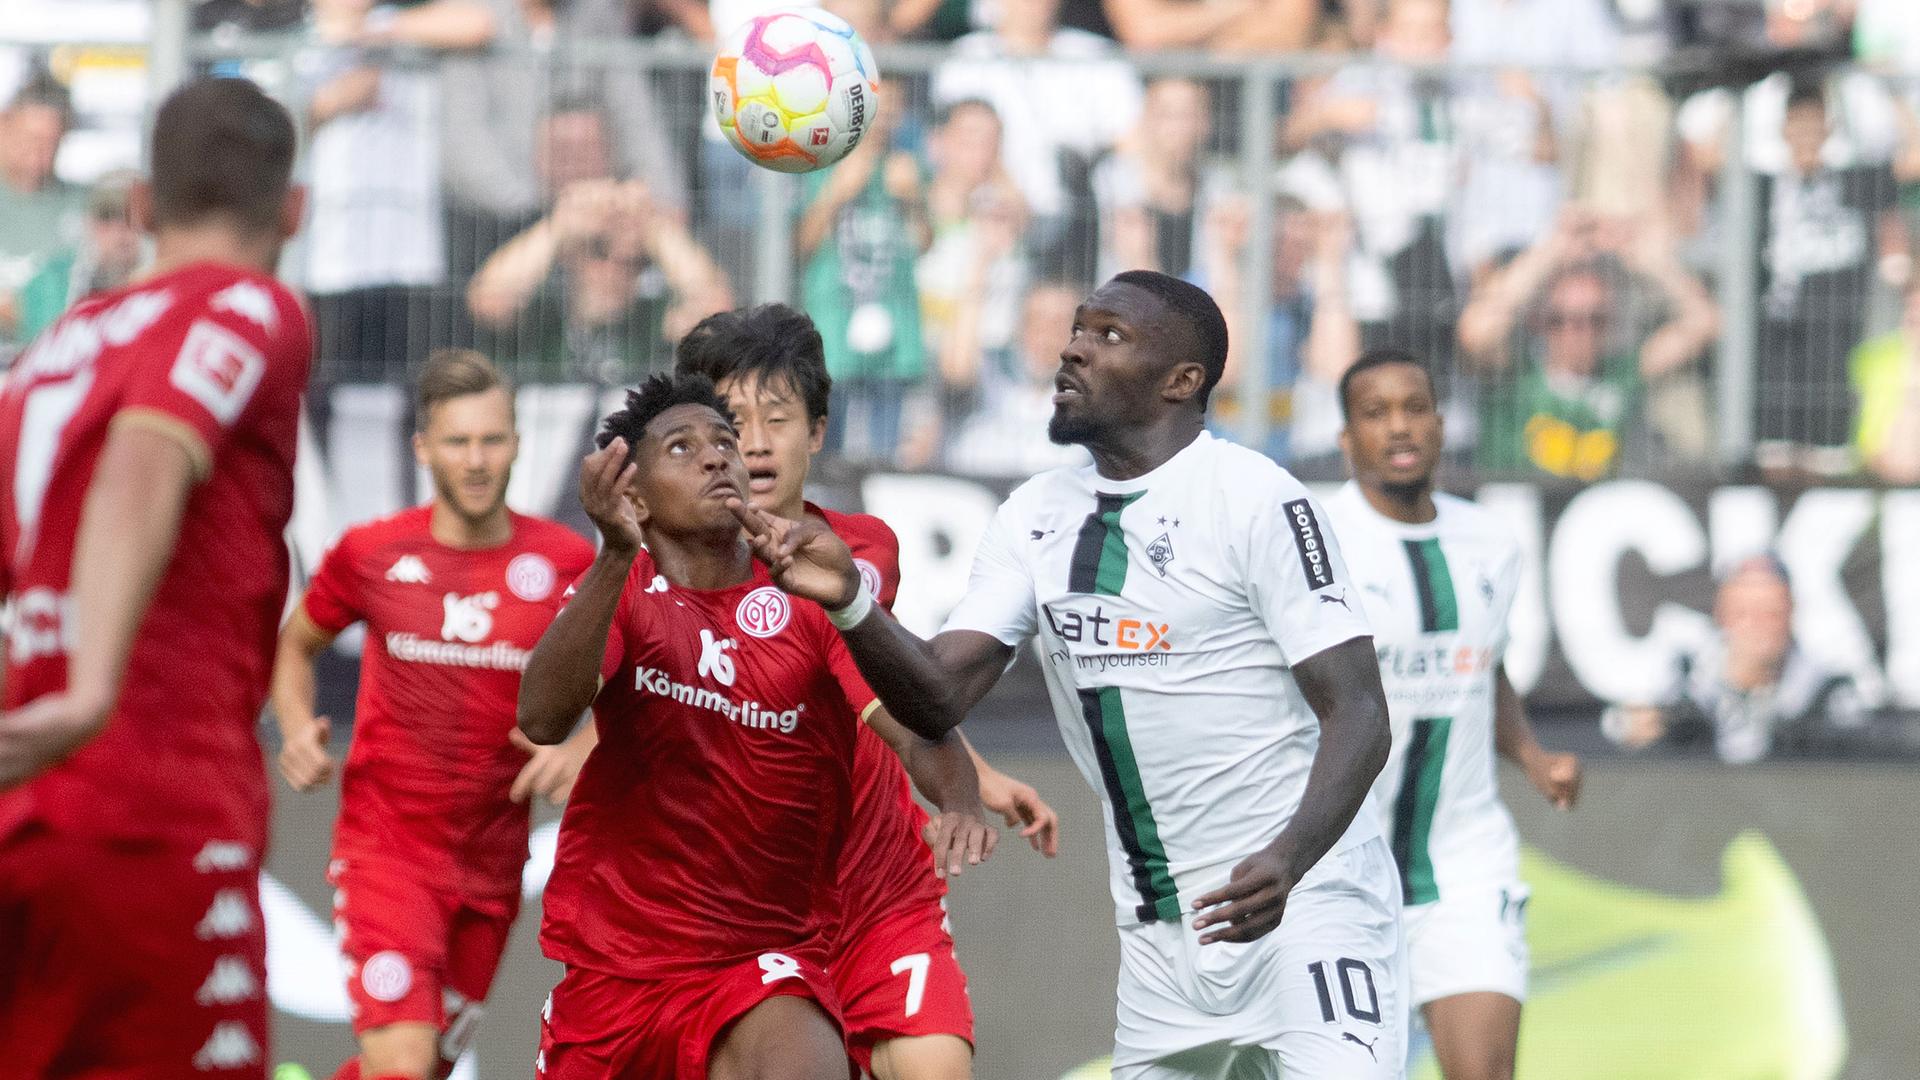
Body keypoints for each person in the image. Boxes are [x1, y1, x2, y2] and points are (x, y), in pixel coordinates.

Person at [733, 270, 1409, 1078]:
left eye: (1109, 336)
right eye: (1079, 330)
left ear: (1181, 381)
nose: (1074, 350)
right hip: (1162, 944)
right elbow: (938, 693)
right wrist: (850, 600)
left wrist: (1291, 859)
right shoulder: (1035, 517)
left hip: (1308, 910)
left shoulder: (1259, 500)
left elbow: (1361, 713)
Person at [517, 373, 996, 1079]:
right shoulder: (621, 592)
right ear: (635, 496)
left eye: (723, 444)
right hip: (617, 968)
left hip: (762, 955)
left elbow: (916, 729)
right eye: (681, 447)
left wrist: (958, 800)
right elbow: (543, 717)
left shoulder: (807, 599)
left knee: (807, 1061)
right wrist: (614, 555)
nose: (716, 458)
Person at [0, 77, 311, 1077]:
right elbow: (147, 455)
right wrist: (93, 685)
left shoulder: (53, 353)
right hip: (151, 813)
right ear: (294, 210)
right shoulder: (249, 304)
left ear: (143, 207)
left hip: (22, 811)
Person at [674, 303, 1061, 1080]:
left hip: (878, 892)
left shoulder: (857, 552)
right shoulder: (664, 576)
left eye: (776, 418)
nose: (753, 443)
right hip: (752, 912)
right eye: (731, 420)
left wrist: (967, 783)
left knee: (937, 1069)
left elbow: (870, 685)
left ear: (817, 432)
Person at [270, 349, 597, 1080]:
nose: (476, 461)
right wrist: (296, 729)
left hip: (492, 867)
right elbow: (295, 646)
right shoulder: (373, 553)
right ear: (423, 448)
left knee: (430, 1065)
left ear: (518, 443)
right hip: (387, 856)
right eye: (457, 441)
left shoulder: (567, 562)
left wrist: (583, 746)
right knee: (407, 1062)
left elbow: (636, 673)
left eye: (492, 439)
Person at [1325, 348, 1583, 1080]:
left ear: (1441, 425)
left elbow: (1482, 663)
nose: (1399, 427)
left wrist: (1532, 755)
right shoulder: (1317, 543)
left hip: (1466, 863)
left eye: (1415, 408)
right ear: (1347, 438)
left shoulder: (1491, 543)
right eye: (1376, 414)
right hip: (1340, 869)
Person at [1605, 554, 1873, 765]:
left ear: (1792, 613)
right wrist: (1653, 727)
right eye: (1745, 614)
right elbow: (1615, 725)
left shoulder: (1825, 688)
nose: (1759, 628)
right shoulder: (1684, 675)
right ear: (1722, 615)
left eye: (1772, 614)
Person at [0, 72, 84, 360]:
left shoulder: (82, 207)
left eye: (52, 143)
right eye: (32, 139)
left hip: (57, 366)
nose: (39, 153)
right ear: (3, 126)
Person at [14, 168, 145, 342]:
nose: (119, 230)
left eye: (131, 216)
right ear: (88, 221)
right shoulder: (53, 284)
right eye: (106, 215)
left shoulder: (164, 284)